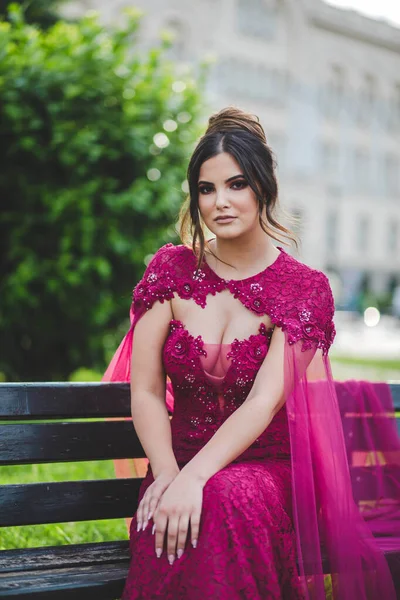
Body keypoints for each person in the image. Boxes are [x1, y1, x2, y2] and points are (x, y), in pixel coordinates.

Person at [103, 107, 397, 599]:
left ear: (264, 187)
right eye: (206, 188)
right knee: (184, 510)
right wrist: (172, 475)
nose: (220, 201)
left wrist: (195, 478)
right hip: (175, 464)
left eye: (236, 184)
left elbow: (264, 402)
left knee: (224, 498)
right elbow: (148, 389)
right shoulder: (171, 270)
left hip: (263, 472)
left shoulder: (305, 289)